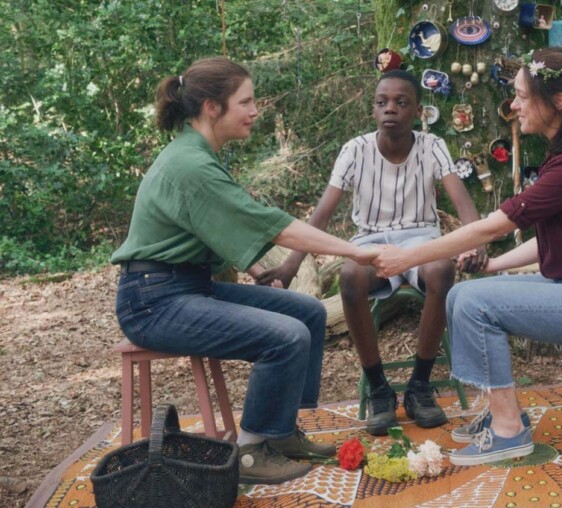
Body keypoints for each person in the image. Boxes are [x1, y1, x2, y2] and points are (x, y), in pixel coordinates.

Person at [373, 48, 562, 465]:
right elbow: (556, 240)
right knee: (460, 296)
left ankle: (508, 431)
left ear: (557, 102)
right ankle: (503, 412)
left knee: (472, 301)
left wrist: (406, 258)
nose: (514, 105)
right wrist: (492, 265)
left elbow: (492, 227)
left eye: (522, 95)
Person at [110, 57, 378, 485]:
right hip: (153, 303)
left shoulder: (195, 153)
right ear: (213, 107)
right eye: (246, 102)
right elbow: (272, 224)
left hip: (186, 287)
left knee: (306, 313)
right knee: (285, 335)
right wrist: (357, 252)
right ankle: (251, 452)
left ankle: (281, 431)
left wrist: (256, 267)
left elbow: (215, 226)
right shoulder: (191, 164)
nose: (255, 111)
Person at [261, 69, 487, 435]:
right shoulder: (355, 150)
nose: (390, 109)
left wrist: (475, 242)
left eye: (401, 102)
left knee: (441, 270)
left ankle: (419, 385)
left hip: (421, 240)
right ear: (373, 110)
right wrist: (290, 264)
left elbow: (462, 201)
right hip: (369, 242)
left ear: (417, 111)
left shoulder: (433, 146)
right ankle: (379, 387)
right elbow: (322, 213)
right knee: (349, 275)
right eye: (382, 102)